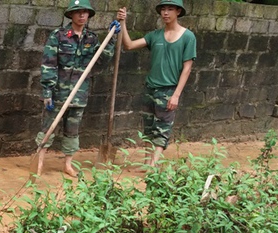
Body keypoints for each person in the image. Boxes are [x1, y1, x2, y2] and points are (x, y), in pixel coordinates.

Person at [37, 0, 119, 177]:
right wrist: (47, 91)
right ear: (71, 14)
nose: (82, 15)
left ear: (88, 15)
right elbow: (49, 64)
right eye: (78, 12)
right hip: (58, 93)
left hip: (79, 94)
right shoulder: (58, 36)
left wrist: (111, 39)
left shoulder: (92, 38)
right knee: (48, 128)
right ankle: (39, 161)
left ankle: (68, 164)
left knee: (72, 131)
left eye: (85, 12)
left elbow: (101, 61)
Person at [117, 0, 196, 167]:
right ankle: (147, 164)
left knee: (162, 130)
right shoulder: (155, 35)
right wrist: (123, 23)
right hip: (150, 88)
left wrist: (176, 95)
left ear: (178, 12)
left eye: (170, 9)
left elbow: (187, 68)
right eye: (163, 9)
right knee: (148, 129)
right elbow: (129, 45)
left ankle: (152, 167)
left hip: (168, 90)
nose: (166, 13)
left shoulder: (188, 37)